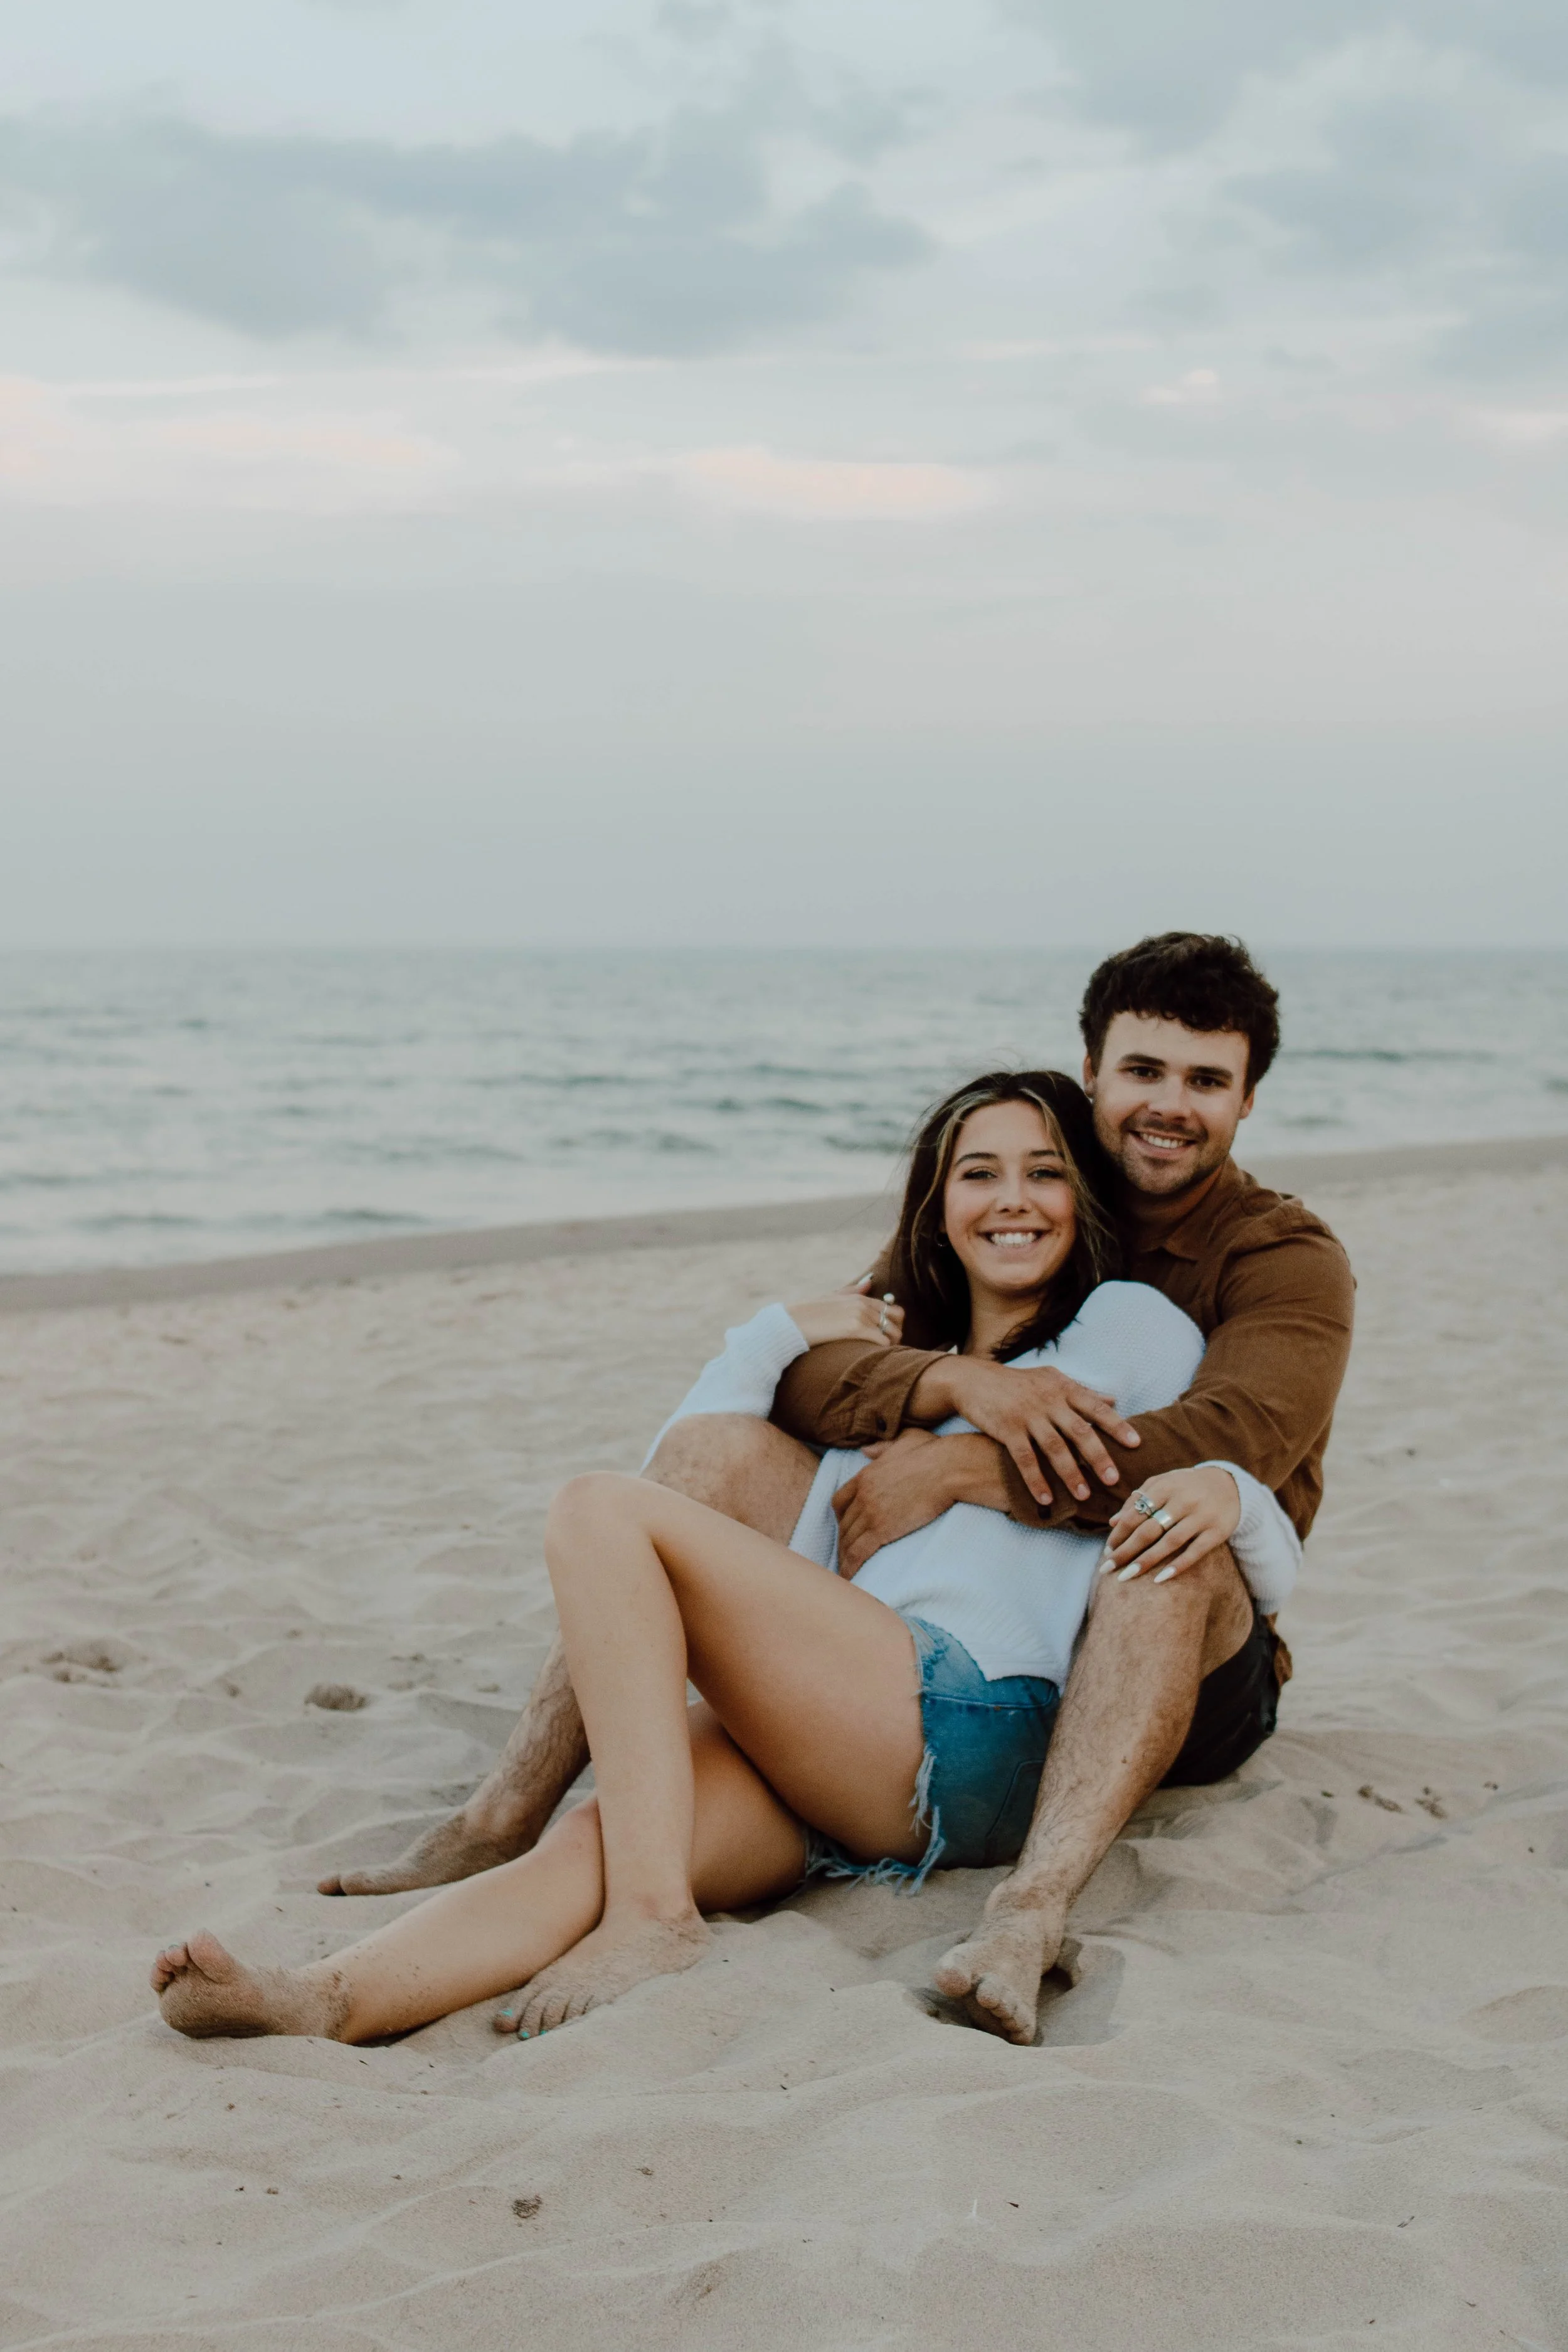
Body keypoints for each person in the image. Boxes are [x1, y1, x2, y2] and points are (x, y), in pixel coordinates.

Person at [312, 933, 1354, 2044]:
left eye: (1207, 1081)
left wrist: (967, 1462)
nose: (1170, 1105)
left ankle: (1031, 1909)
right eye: (1145, 1070)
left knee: (1168, 1529)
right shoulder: (1029, 1175)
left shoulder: (1280, 1257)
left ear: (1248, 1101)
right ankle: (493, 1822)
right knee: (710, 1459)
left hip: (1193, 1653)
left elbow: (1224, 1439)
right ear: (1094, 1071)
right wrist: (953, 1378)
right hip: (952, 1646)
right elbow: (818, 1372)